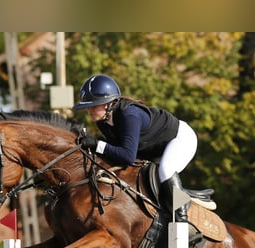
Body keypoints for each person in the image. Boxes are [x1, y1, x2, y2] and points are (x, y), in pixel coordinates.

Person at [73, 74, 215, 212]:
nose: (89, 110)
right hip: (154, 148)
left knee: (165, 172)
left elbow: (127, 156)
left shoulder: (129, 114)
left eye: (93, 105)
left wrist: (97, 144)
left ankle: (181, 219)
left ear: (109, 103)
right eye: (88, 106)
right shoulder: (103, 122)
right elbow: (115, 152)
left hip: (180, 139)